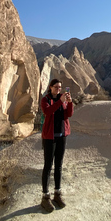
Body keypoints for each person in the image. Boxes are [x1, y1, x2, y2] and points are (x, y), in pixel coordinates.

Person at [40, 79, 74, 212]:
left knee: (59, 165)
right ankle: (45, 197)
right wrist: (60, 101)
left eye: (60, 87)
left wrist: (70, 103)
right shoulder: (45, 100)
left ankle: (57, 194)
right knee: (48, 165)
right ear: (50, 87)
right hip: (49, 137)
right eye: (56, 87)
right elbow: (48, 112)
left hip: (62, 135)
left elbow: (68, 114)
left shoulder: (63, 100)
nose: (59, 89)